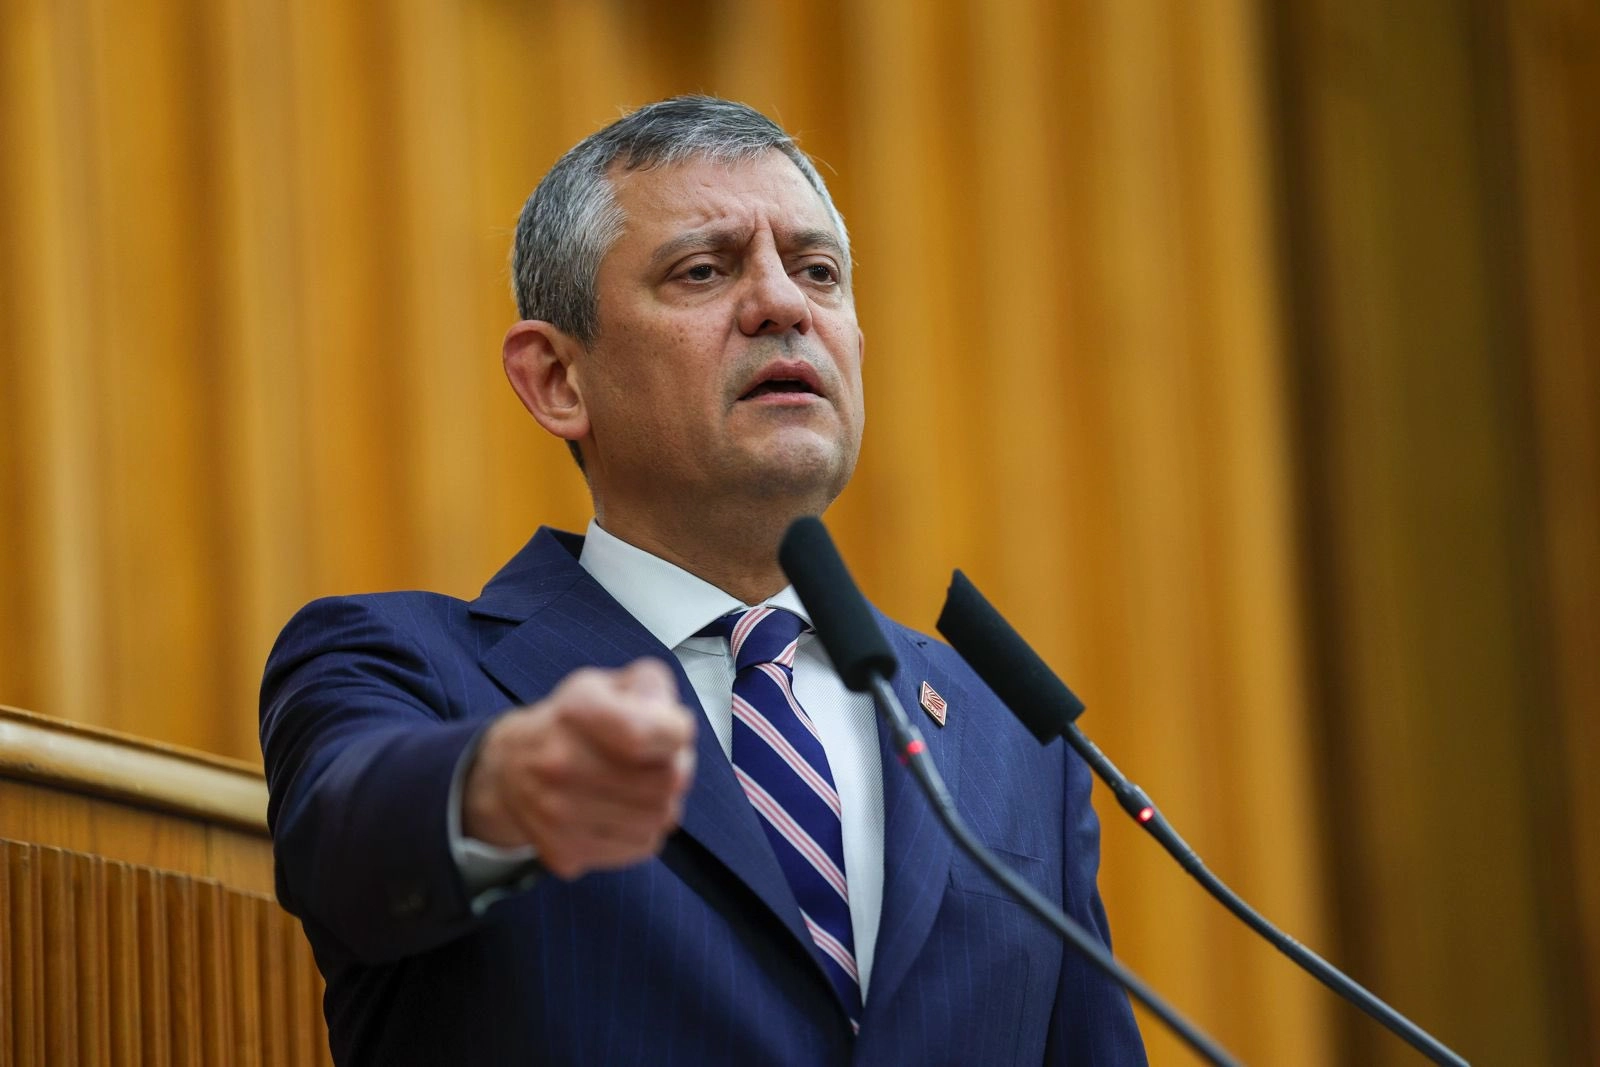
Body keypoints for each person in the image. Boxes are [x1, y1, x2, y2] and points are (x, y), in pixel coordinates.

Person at [261, 95, 1146, 1066]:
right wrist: (499, 787)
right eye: (703, 270)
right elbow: (344, 843)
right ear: (557, 379)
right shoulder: (404, 663)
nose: (783, 305)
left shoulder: (1012, 741)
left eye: (817, 271)